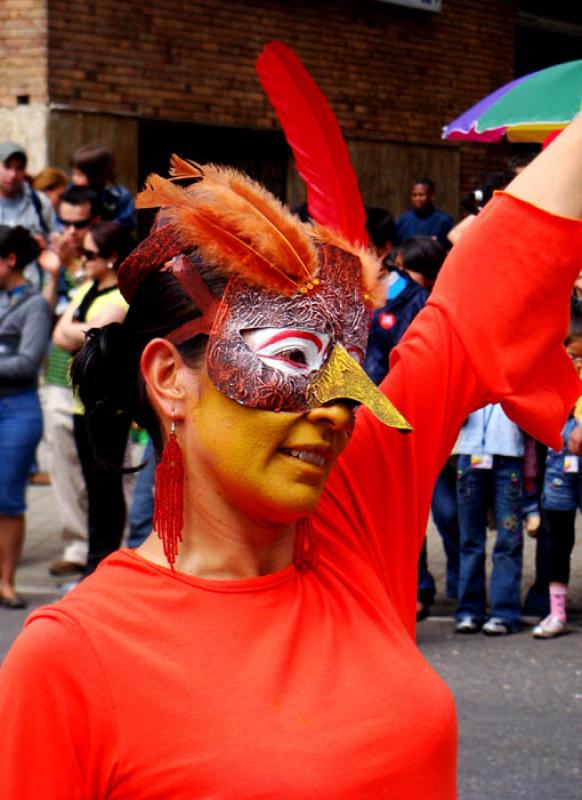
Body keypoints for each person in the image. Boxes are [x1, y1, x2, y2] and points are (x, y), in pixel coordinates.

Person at [1, 117, 582, 798]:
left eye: (346, 368)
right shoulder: (72, 658)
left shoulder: (354, 512)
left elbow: (490, 280)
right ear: (168, 380)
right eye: (293, 358)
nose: (336, 408)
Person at [53, 221, 134, 576]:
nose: (83, 261)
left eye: (90, 255)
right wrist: (80, 332)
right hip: (80, 404)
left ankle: (102, 561)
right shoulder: (87, 288)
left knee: (105, 487)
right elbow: (61, 336)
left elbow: (89, 339)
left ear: (112, 258)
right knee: (91, 485)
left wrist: (79, 332)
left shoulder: (120, 295)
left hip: (106, 406)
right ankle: (92, 561)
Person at [40, 186, 102, 576]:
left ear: (93, 222)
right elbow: (43, 319)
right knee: (62, 465)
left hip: (94, 384)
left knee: (97, 469)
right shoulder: (54, 260)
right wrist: (52, 274)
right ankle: (76, 545)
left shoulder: (101, 258)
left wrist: (73, 267)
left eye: (79, 223)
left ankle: (101, 543)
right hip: (58, 378)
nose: (71, 231)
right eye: (64, 222)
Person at [0, 226, 52, 608]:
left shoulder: (32, 304)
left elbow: (27, 363)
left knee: (8, 499)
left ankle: (6, 581)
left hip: (16, 410)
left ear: (10, 261)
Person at [454, 404, 527, 635]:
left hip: (508, 454)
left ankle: (504, 613)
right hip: (470, 452)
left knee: (508, 541)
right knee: (470, 540)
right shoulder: (470, 368)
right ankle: (469, 610)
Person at [533, 307, 582, 638]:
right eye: (570, 354)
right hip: (557, 461)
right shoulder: (550, 367)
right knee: (558, 535)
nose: (574, 362)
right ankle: (556, 611)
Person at [0, 142, 57, 287]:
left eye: (19, 168)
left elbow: (54, 239)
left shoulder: (38, 202)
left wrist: (45, 248)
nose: (12, 174)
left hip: (32, 287)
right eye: (7, 167)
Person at [70, 144, 135, 228]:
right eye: (73, 174)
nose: (74, 178)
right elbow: (61, 219)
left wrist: (102, 226)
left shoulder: (119, 196)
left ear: (96, 175)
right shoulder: (72, 191)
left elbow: (127, 223)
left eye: (79, 175)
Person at [395, 177, 454, 249]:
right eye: (414, 195)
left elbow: (450, 249)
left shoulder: (444, 221)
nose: (417, 199)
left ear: (432, 196)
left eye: (421, 195)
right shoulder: (404, 219)